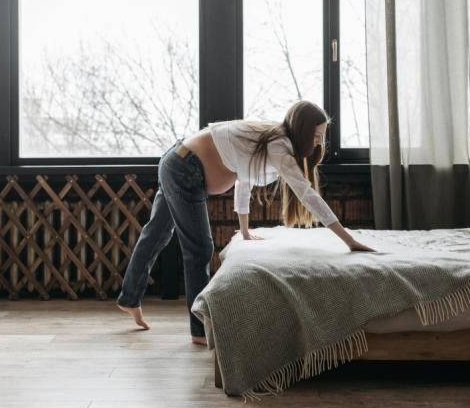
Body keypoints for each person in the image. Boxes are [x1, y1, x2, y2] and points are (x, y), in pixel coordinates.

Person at [116, 100, 375, 345]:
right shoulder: (278, 145)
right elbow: (307, 195)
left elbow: (244, 180)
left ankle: (129, 298)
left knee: (157, 233)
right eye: (316, 136)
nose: (320, 143)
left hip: (176, 159)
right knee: (199, 248)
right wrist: (349, 240)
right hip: (184, 169)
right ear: (303, 131)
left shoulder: (269, 137)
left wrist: (244, 230)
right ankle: (200, 330)